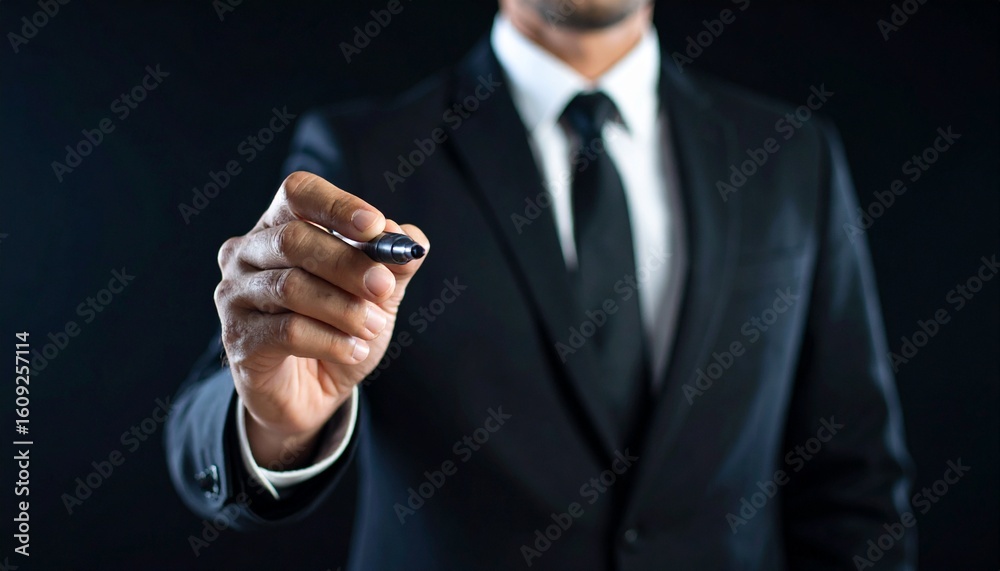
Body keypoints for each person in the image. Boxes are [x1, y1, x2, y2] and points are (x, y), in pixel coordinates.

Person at [166, 0, 915, 568]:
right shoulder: (364, 157)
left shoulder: (791, 157)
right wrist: (276, 425)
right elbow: (209, 420)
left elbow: (854, 478)